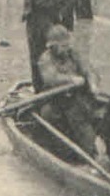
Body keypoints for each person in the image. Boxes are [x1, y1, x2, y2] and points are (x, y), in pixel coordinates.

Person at [35, 25, 99, 159]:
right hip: (54, 101)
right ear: (52, 46)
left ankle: (90, 153)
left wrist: (92, 83)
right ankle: (60, 153)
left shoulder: (73, 53)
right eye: (62, 46)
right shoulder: (45, 59)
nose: (66, 49)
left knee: (85, 115)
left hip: (74, 99)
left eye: (67, 45)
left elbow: (89, 69)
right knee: (49, 117)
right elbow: (51, 78)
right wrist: (71, 79)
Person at [22, 0, 77, 89]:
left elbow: (70, 1)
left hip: (51, 20)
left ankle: (54, 86)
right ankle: (38, 87)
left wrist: (64, 24)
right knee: (35, 54)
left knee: (54, 53)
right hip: (34, 21)